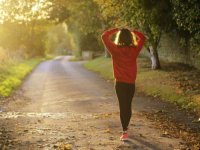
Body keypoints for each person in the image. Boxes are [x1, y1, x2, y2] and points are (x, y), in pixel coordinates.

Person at [101, 26, 146, 141]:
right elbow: (143, 37)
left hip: (120, 83)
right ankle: (126, 127)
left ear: (119, 37)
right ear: (131, 38)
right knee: (128, 105)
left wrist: (116, 29)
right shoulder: (135, 50)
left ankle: (125, 132)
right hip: (130, 83)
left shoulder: (114, 49)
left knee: (122, 106)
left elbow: (104, 36)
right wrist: (133, 30)